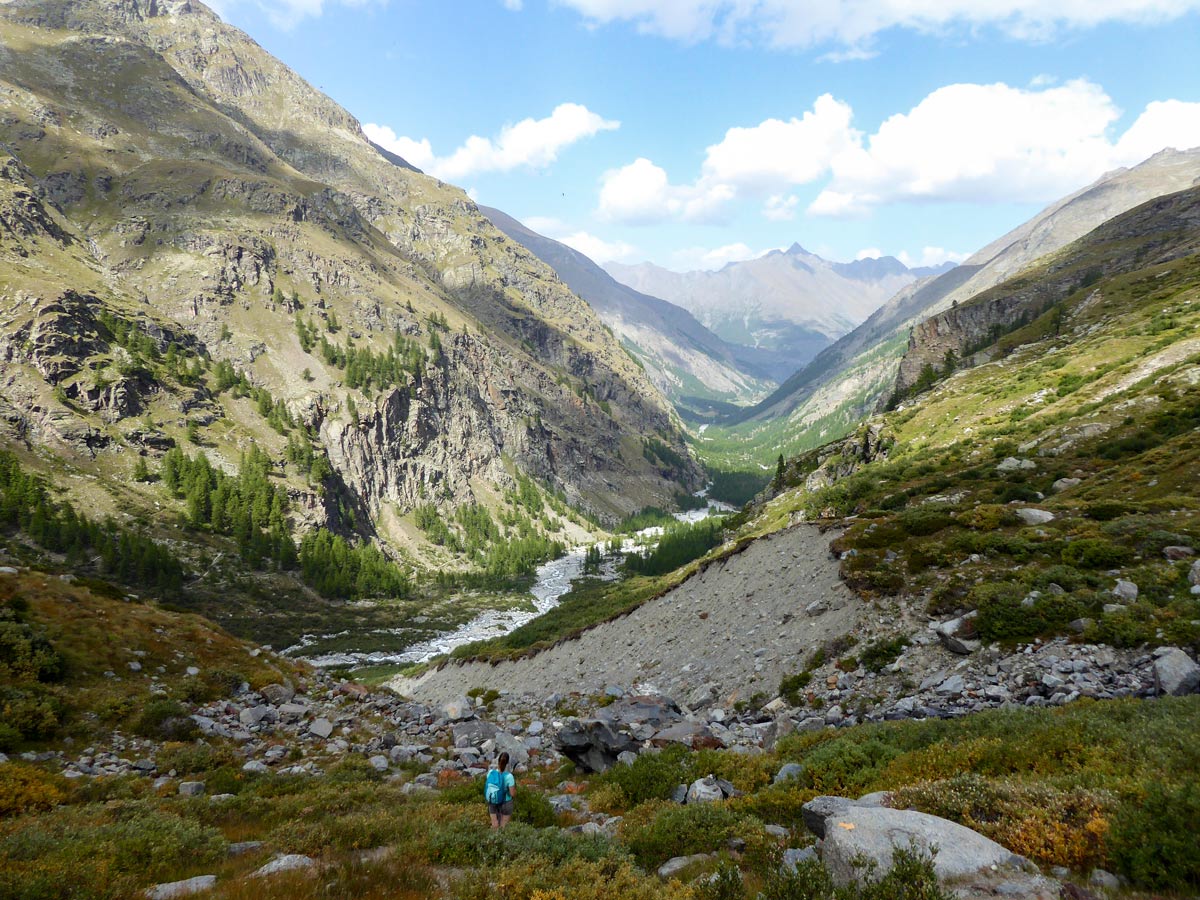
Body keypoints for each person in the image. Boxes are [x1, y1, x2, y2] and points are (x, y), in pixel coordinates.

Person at [485, 751, 516, 829]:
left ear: (498, 761)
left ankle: (493, 839)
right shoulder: (509, 776)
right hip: (506, 802)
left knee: (494, 824)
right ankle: (501, 839)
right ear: (507, 763)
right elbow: (512, 794)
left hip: (493, 801)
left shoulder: (491, 772)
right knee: (503, 826)